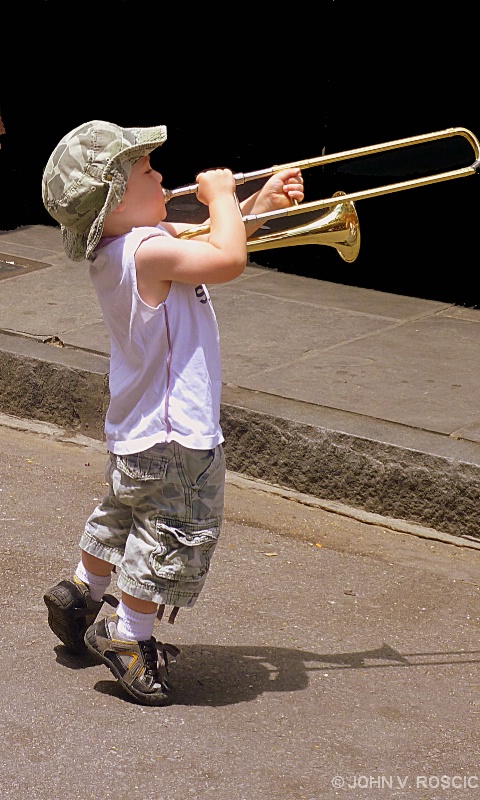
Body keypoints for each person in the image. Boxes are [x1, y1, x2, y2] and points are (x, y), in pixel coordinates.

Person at [41, 120, 304, 706]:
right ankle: (129, 638)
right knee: (173, 531)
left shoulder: (128, 248)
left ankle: (82, 591)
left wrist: (256, 203)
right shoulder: (150, 250)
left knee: (122, 512)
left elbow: (218, 244)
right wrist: (224, 198)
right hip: (176, 436)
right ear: (114, 201)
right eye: (147, 172)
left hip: (136, 431)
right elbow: (229, 259)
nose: (161, 175)